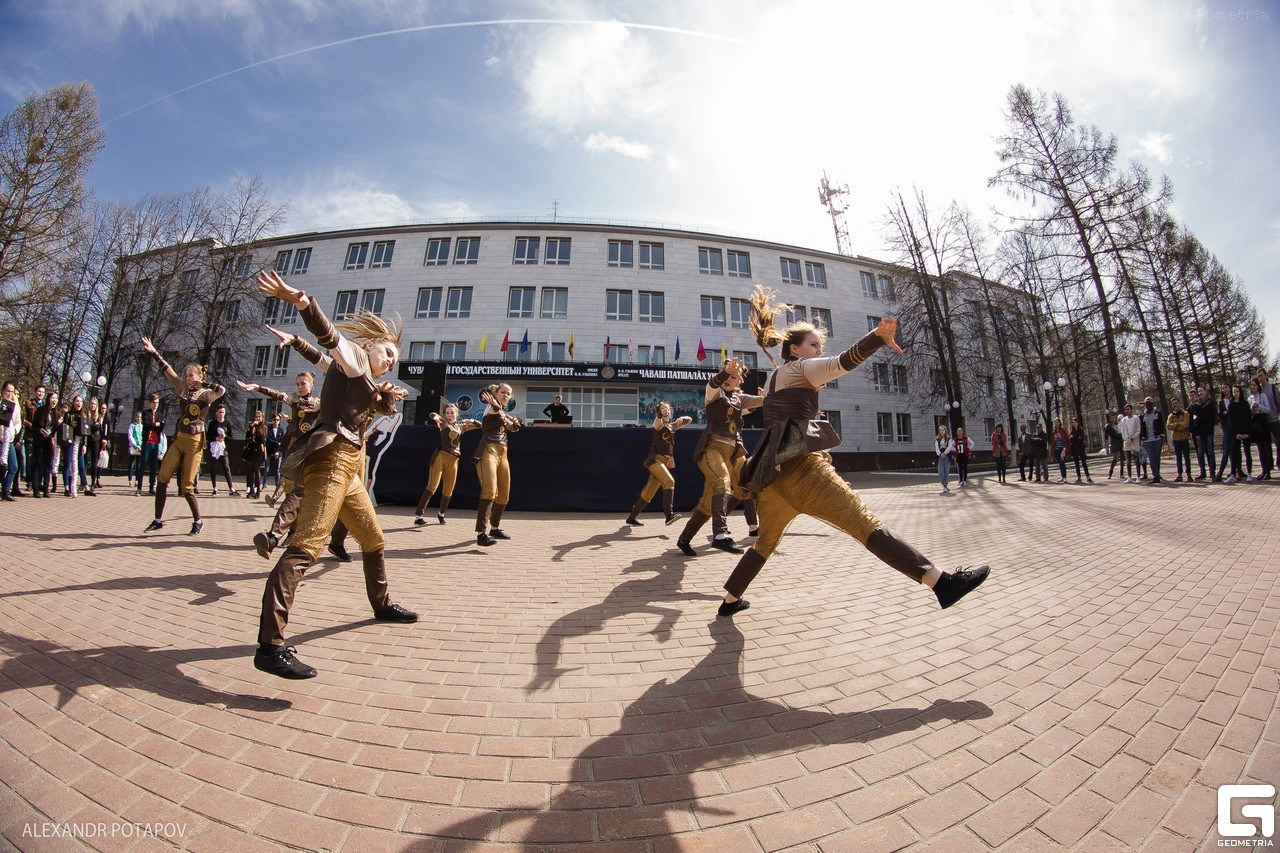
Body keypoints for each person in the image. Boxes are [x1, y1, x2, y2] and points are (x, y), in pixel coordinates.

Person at [716, 285, 988, 619]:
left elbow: (789, 410)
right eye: (813, 344)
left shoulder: (776, 376)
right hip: (804, 472)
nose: (818, 350)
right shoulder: (802, 368)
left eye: (820, 345)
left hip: (775, 478)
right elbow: (842, 363)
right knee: (865, 525)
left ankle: (730, 599)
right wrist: (877, 337)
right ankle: (941, 583)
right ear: (795, 349)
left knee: (764, 543)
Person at [253, 268, 418, 680]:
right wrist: (302, 301)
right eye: (387, 354)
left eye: (394, 361)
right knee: (306, 547)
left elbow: (327, 366)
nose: (389, 362)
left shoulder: (362, 377)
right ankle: (270, 646)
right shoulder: (356, 360)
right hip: (330, 466)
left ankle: (381, 606)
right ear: (369, 347)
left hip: (351, 470)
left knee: (373, 539)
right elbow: (330, 340)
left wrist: (382, 399)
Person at [675, 359, 764, 556]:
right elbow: (713, 383)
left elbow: (767, 400)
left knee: (726, 496)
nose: (729, 379)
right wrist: (725, 371)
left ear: (739, 380)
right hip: (712, 449)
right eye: (727, 375)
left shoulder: (740, 399)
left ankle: (684, 539)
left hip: (734, 453)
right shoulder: (714, 393)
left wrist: (803, 391)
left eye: (734, 376)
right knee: (723, 483)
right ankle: (720, 535)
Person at [140, 337, 226, 534]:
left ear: (198, 376)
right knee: (162, 478)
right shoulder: (182, 389)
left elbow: (222, 390)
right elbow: (167, 369)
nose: (187, 378)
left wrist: (202, 382)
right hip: (179, 439)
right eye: (186, 375)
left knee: (186, 486)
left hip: (195, 443)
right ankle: (158, 519)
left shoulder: (206, 394)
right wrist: (153, 351)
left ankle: (197, 521)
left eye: (191, 375)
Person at [625, 402, 692, 526]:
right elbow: (657, 421)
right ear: (659, 412)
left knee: (648, 492)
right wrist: (660, 414)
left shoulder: (672, 426)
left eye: (667, 409)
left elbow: (690, 420)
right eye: (663, 409)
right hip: (655, 461)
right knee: (669, 481)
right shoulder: (658, 425)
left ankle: (631, 518)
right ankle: (669, 516)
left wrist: (683, 419)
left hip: (664, 463)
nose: (666, 411)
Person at [415, 404, 481, 525]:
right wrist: (435, 417)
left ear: (457, 414)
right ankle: (419, 516)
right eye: (447, 413)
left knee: (449, 489)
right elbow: (432, 414)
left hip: (454, 459)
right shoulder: (444, 423)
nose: (450, 415)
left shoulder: (461, 426)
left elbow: (479, 425)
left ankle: (441, 514)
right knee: (432, 486)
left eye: (452, 413)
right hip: (441, 456)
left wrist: (471, 420)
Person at [474, 383, 522, 546]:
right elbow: (495, 410)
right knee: (490, 491)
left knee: (504, 494)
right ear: (495, 393)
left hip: (503, 453)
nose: (505, 395)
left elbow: (513, 428)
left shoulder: (502, 412)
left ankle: (494, 528)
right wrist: (495, 404)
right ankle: (481, 533)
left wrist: (515, 423)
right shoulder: (491, 408)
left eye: (508, 393)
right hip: (489, 450)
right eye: (503, 392)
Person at [1222, 385, 1253, 484]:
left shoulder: (1245, 404)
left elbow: (1249, 419)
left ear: (1240, 393)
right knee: (1233, 452)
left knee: (1247, 452)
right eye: (1234, 392)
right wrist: (1236, 434)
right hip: (1236, 433)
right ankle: (1232, 475)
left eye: (1237, 391)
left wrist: (1247, 433)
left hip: (1246, 432)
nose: (1236, 393)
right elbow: (1231, 421)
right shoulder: (1231, 405)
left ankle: (1249, 474)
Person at [204, 405, 238, 495]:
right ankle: (214, 488)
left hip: (223, 449)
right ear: (216, 413)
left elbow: (231, 438)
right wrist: (216, 438)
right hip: (214, 449)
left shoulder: (227, 423)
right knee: (213, 467)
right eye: (219, 412)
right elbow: (208, 436)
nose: (221, 414)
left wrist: (225, 436)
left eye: (223, 412)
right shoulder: (212, 424)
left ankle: (231, 488)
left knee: (226, 467)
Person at [32, 391, 60, 497]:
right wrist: (39, 430)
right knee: (37, 463)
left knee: (48, 465)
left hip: (49, 440)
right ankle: (36, 488)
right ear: (48, 399)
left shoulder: (57, 413)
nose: (54, 400)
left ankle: (46, 489)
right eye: (52, 398)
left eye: (56, 399)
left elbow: (57, 428)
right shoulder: (40, 411)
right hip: (40, 439)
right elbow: (34, 426)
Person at [137, 394, 164, 496]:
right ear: (150, 403)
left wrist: (156, 425)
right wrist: (155, 425)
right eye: (153, 403)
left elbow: (161, 428)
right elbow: (147, 425)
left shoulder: (160, 415)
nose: (155, 405)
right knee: (142, 465)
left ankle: (151, 487)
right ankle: (139, 487)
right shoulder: (146, 413)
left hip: (155, 442)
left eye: (157, 403)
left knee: (153, 467)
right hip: (147, 442)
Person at [1247, 377, 1274, 480]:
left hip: (1263, 421)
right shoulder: (1249, 398)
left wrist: (1259, 406)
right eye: (1251, 385)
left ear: (1258, 386)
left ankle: (1268, 471)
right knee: (1260, 448)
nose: (1253, 387)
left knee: (1266, 446)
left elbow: (1268, 409)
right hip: (1255, 422)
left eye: (1254, 385)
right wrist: (1252, 409)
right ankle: (1263, 470)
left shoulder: (1262, 396)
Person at [1188, 386, 1217, 481]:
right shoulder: (1196, 405)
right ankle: (1202, 472)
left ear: (1205, 392)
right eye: (1199, 391)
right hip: (1200, 433)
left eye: (1201, 391)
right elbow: (1195, 420)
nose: (1200, 393)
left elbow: (1210, 417)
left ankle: (1212, 472)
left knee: (1210, 452)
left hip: (1208, 431)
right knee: (1200, 453)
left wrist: (1201, 417)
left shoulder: (1210, 402)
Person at [59, 394, 85, 497]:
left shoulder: (83, 415)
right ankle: (66, 487)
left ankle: (75, 485)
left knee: (79, 465)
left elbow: (86, 433)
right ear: (73, 402)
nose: (78, 403)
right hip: (69, 441)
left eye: (80, 401)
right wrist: (71, 425)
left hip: (78, 442)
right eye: (77, 401)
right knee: (67, 464)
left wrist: (84, 445)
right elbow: (64, 429)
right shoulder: (68, 414)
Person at [241, 409, 268, 498]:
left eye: (259, 417)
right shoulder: (252, 426)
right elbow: (247, 436)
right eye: (256, 417)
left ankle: (258, 492)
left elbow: (262, 438)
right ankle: (251, 490)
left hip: (259, 450)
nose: (257, 418)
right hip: (250, 449)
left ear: (262, 418)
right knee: (250, 470)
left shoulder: (264, 426)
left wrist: (256, 429)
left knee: (256, 469)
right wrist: (252, 427)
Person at [1138, 396, 1166, 484]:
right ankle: (1155, 476)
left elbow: (1161, 424)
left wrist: (1162, 435)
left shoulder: (1157, 413)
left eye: (1149, 404)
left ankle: (1157, 474)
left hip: (1157, 438)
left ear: (1152, 404)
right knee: (1151, 458)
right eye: (1146, 404)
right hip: (1147, 440)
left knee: (1157, 458)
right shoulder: (1142, 416)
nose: (1147, 406)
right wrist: (1141, 437)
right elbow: (1141, 428)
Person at [0, 381, 20, 501]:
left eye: (12, 392)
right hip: (1, 439)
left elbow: (18, 423)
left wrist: (14, 431)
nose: (9, 394)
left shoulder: (15, 406)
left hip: (10, 440)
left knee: (13, 466)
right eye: (7, 391)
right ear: (2, 391)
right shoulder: (1, 404)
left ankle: (6, 490)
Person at [1166, 396, 1192, 482]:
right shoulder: (1170, 416)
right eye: (1173, 404)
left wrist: (1176, 426)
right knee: (1178, 458)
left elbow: (1186, 424)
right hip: (1176, 440)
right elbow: (1169, 426)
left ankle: (1189, 474)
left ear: (1179, 403)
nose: (1175, 405)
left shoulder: (1185, 413)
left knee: (1187, 457)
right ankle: (1179, 475)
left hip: (1184, 438)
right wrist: (1178, 425)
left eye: (1176, 403)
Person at [1258, 367, 1280, 472]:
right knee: (1267, 445)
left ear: (1266, 376)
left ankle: (1279, 463)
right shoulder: (1259, 391)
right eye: (1258, 376)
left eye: (1261, 375)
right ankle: (1269, 465)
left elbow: (1278, 402)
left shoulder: (1273, 388)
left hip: (1274, 419)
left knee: (1278, 442)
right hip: (1264, 421)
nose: (1260, 378)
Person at [1119, 403, 1141, 483]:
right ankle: (1129, 476)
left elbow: (1138, 430)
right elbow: (1122, 431)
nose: (1127, 411)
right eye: (1125, 409)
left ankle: (1138, 476)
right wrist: (1126, 439)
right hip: (1127, 441)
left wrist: (1132, 437)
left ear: (1131, 409)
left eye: (1128, 409)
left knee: (1136, 458)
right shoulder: (1124, 420)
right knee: (1128, 459)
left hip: (1134, 440)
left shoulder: (1136, 418)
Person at [265, 412, 287, 492]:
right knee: (267, 468)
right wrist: (277, 443)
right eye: (274, 420)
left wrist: (277, 451)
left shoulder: (281, 430)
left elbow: (282, 441)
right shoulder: (268, 429)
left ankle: (277, 485)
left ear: (279, 421)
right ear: (272, 420)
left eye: (277, 420)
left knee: (277, 469)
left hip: (278, 452)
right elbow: (268, 440)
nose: (276, 421)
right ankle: (264, 485)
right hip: (269, 450)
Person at [1068, 417, 1092, 483]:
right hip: (1074, 449)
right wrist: (1076, 438)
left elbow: (1081, 439)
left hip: (1080, 448)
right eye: (1073, 422)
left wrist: (1075, 438)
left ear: (1077, 422)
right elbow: (1070, 440)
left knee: (1084, 463)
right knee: (1076, 463)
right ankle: (1079, 477)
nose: (1074, 424)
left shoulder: (1081, 430)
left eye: (1075, 422)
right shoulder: (1072, 431)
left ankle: (1088, 476)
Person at [935, 425, 954, 493]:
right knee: (941, 472)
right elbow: (936, 448)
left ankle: (945, 485)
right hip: (940, 456)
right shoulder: (937, 440)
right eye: (940, 430)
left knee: (946, 472)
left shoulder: (949, 439)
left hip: (947, 456)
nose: (942, 431)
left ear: (945, 431)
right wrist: (940, 454)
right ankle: (944, 484)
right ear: (939, 432)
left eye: (943, 430)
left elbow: (949, 447)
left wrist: (945, 453)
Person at [127, 411, 144, 488]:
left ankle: (137, 480)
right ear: (135, 417)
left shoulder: (143, 426)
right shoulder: (132, 425)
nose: (139, 418)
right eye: (138, 417)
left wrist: (141, 445)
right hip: (134, 447)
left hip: (141, 447)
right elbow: (130, 435)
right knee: (131, 464)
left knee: (139, 465)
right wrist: (135, 445)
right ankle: (130, 480)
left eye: (140, 417)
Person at [1104, 413, 1123, 480]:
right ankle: (1110, 473)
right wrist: (1107, 448)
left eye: (1113, 418)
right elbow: (1106, 436)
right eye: (1111, 418)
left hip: (1120, 442)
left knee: (1121, 458)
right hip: (1114, 442)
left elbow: (1122, 433)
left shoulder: (1118, 425)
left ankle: (1121, 473)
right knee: (1115, 458)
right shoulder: (1108, 427)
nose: (1112, 419)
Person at [1051, 417, 1070, 483]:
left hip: (1062, 448)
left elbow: (1067, 439)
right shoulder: (1054, 431)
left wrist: (1065, 448)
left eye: (1057, 422)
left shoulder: (1063, 430)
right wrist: (1055, 439)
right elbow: (1053, 441)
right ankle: (1062, 476)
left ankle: (1064, 477)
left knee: (1062, 462)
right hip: (1056, 449)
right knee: (1059, 463)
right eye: (1055, 422)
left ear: (1060, 423)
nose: (1056, 424)